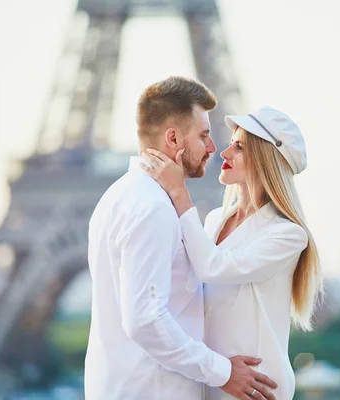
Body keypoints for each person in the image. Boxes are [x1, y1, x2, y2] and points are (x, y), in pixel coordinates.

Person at [84, 76, 278, 400]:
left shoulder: (117, 196)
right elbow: (145, 320)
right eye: (204, 135)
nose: (214, 148)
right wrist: (223, 372)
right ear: (173, 138)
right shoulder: (154, 208)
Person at [141, 105, 324, 400]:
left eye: (238, 147)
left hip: (257, 389)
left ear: (265, 160)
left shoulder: (288, 235)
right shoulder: (214, 220)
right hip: (215, 380)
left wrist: (179, 192)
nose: (224, 154)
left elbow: (211, 268)